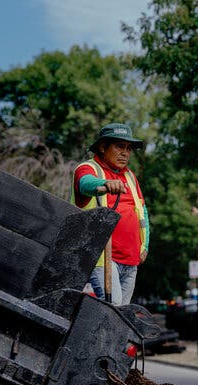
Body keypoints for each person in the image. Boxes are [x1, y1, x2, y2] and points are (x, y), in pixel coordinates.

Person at [70, 123, 149, 306]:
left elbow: (142, 212)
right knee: (114, 313)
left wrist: (144, 246)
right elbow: (85, 183)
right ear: (103, 147)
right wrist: (104, 184)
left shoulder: (129, 176)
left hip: (131, 261)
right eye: (119, 146)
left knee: (119, 319)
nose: (126, 153)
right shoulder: (89, 168)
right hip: (103, 259)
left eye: (128, 148)